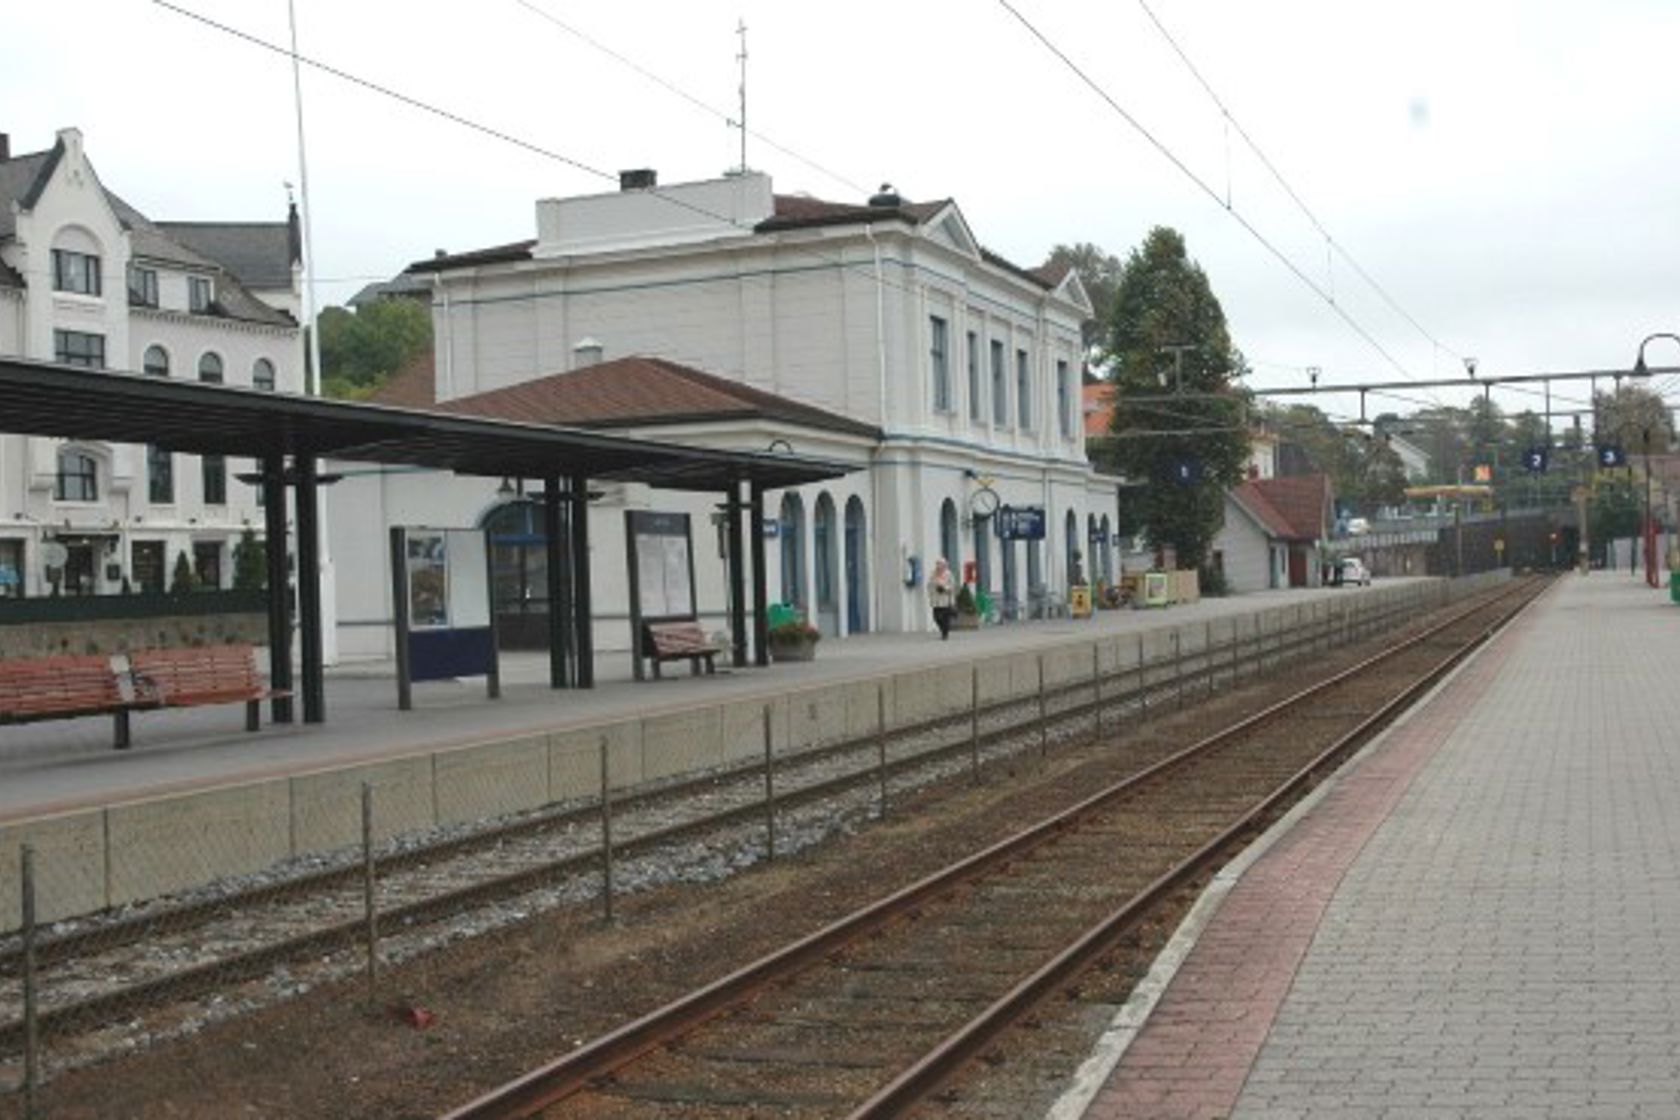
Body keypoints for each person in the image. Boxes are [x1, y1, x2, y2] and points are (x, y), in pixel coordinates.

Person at [928, 557, 956, 639]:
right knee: (936, 618)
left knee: (945, 618)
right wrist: (933, 590)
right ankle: (943, 629)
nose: (938, 566)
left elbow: (952, 586)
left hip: (945, 600)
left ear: (944, 565)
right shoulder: (933, 574)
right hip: (936, 600)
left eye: (940, 564)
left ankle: (945, 634)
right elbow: (929, 585)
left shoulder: (949, 574)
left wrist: (945, 588)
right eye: (937, 564)